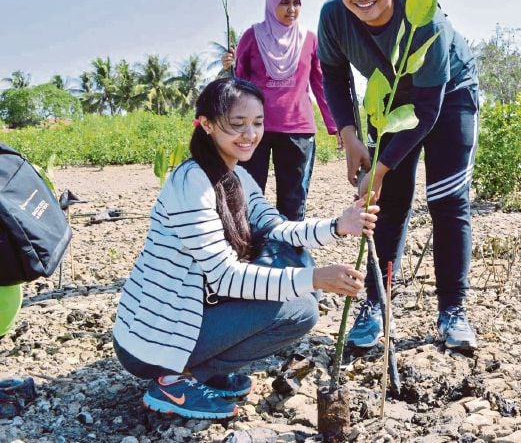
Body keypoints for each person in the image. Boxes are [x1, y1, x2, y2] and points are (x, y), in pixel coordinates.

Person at [112, 78, 378, 419]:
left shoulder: (236, 176)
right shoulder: (192, 182)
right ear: (206, 124)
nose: (250, 135)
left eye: (257, 123)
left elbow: (279, 228)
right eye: (237, 125)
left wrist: (340, 225)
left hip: (188, 315)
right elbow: (224, 277)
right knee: (299, 310)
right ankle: (173, 381)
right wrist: (315, 278)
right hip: (149, 340)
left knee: (295, 263)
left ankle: (199, 371)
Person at [317, 0, 480, 350]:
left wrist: (382, 167)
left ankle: (452, 311)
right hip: (389, 101)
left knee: (446, 199)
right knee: (387, 205)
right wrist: (351, 138)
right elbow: (334, 76)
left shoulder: (427, 22)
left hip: (447, 95)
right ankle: (374, 305)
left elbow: (426, 110)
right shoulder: (334, 17)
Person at [222, 0, 337, 221]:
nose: (291, 9)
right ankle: (249, 248)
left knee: (293, 198)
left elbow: (320, 83)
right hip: (254, 130)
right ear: (271, 4)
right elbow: (239, 83)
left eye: (296, 3)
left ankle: (289, 251)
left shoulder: (310, 40)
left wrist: (335, 125)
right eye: (284, 3)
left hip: (298, 130)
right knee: (249, 194)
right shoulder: (252, 36)